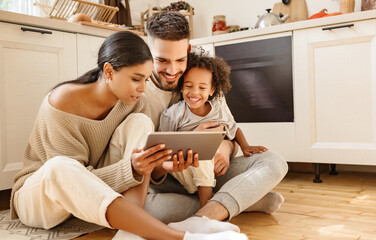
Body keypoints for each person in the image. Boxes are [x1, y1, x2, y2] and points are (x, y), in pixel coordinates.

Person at [9, 31, 248, 240]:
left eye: (145, 79)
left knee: (141, 122)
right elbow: (73, 181)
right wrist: (131, 169)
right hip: (43, 198)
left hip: (97, 192)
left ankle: (131, 227)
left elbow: (133, 169)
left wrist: (159, 164)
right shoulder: (62, 102)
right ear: (109, 71)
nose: (143, 88)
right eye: (136, 79)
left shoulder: (133, 103)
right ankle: (179, 237)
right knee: (60, 166)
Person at [143, 11, 289, 233]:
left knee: (274, 162)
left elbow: (230, 130)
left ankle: (206, 214)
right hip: (172, 180)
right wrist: (193, 140)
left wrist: (225, 146)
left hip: (212, 172)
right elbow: (151, 166)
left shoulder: (207, 86)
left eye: (180, 60)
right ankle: (237, 203)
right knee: (147, 209)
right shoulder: (139, 92)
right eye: (162, 60)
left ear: (188, 51)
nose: (173, 71)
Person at [158, 52, 269, 208]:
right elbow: (166, 146)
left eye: (202, 87)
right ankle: (207, 203)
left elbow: (234, 127)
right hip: (183, 170)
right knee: (201, 147)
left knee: (205, 148)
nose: (194, 92)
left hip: (209, 171)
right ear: (181, 86)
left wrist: (245, 146)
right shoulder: (173, 114)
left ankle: (206, 197)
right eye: (189, 86)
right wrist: (192, 140)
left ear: (211, 90)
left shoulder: (217, 109)